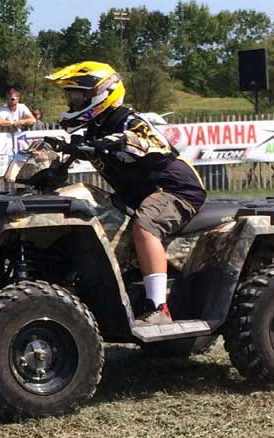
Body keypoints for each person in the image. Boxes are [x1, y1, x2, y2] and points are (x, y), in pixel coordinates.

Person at [44, 61, 206, 327]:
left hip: (176, 190)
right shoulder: (95, 129)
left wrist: (125, 140)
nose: (72, 102)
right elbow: (78, 154)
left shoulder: (126, 119)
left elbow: (154, 142)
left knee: (145, 226)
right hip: (140, 195)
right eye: (70, 96)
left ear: (101, 94)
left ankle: (159, 307)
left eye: (77, 96)